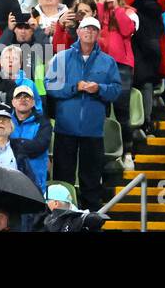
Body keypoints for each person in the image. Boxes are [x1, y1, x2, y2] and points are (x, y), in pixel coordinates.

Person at [46, 16, 122, 212]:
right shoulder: (61, 58)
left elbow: (115, 90)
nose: (89, 32)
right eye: (85, 29)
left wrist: (99, 88)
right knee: (63, 176)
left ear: (98, 35)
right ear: (78, 32)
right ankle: (60, 214)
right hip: (66, 128)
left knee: (91, 177)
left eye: (94, 29)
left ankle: (91, 217)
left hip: (93, 130)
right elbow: (51, 86)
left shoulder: (108, 62)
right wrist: (75, 87)